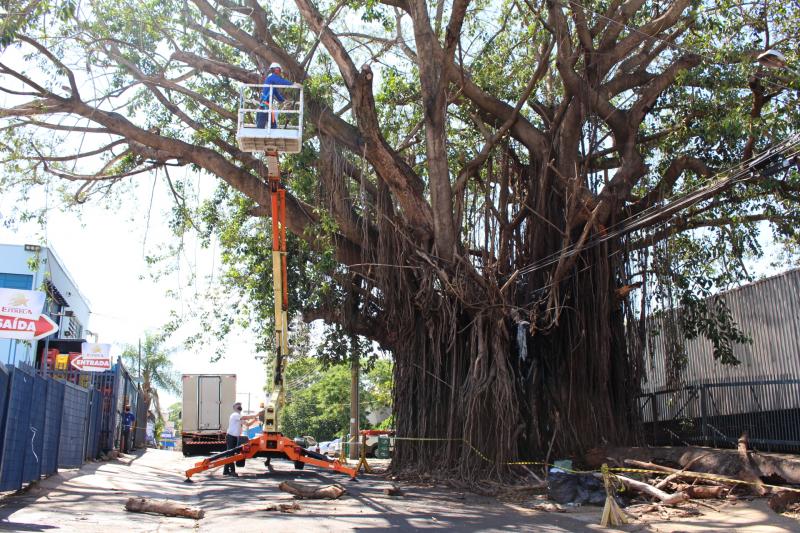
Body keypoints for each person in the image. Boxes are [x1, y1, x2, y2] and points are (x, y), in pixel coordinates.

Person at [256, 62, 294, 129]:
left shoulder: (272, 84)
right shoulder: (272, 77)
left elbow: (277, 95)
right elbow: (281, 82)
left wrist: (284, 101)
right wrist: (293, 84)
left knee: (273, 124)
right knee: (261, 125)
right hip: (264, 105)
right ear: (274, 70)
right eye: (278, 70)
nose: (279, 72)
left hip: (268, 106)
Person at [223, 402, 258, 477]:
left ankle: (225, 471)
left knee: (230, 454)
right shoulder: (235, 415)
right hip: (231, 437)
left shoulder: (239, 416)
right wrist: (254, 415)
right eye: (238, 405)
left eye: (240, 405)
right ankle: (232, 471)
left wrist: (255, 420)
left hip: (235, 437)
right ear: (234, 407)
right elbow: (244, 417)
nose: (240, 406)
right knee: (231, 454)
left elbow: (248, 424)